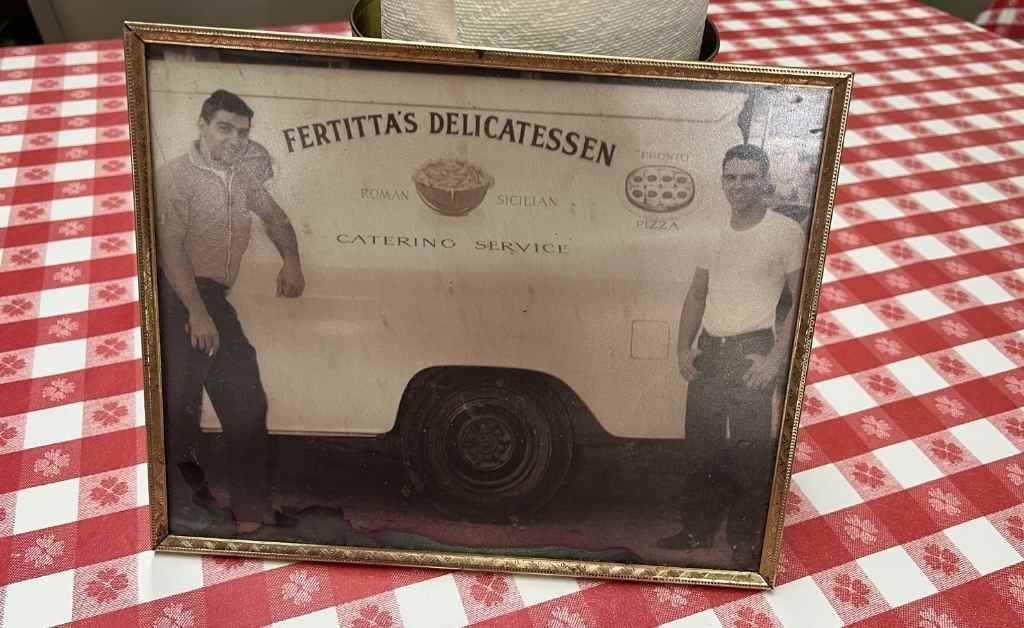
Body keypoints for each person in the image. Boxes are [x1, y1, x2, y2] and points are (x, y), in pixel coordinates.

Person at [156, 89, 305, 536]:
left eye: (243, 132)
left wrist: (292, 260)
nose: (235, 139)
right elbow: (169, 249)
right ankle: (179, 513)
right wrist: (197, 312)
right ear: (201, 126)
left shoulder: (241, 178)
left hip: (212, 298)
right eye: (224, 127)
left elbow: (275, 217)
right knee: (179, 408)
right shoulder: (175, 176)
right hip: (175, 295)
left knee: (246, 401)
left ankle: (252, 514)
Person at [658, 143, 804, 566]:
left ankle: (744, 540)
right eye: (731, 177)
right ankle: (695, 532)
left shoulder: (784, 232)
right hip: (712, 349)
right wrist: (682, 348)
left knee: (747, 450)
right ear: (723, 181)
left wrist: (775, 360)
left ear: (764, 181)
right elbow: (697, 292)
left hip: (752, 351)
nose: (739, 186)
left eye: (748, 177)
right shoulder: (712, 228)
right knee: (700, 448)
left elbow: (801, 299)